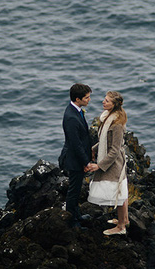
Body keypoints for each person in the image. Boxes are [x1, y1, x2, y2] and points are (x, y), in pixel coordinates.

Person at [86, 90, 129, 236]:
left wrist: (99, 165)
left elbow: (114, 150)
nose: (103, 102)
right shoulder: (107, 117)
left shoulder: (116, 124)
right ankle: (125, 219)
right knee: (122, 190)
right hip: (113, 161)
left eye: (107, 101)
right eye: (104, 99)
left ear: (114, 105)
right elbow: (105, 140)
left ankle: (121, 226)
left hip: (114, 163)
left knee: (119, 192)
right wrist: (95, 148)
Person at [58, 83, 93, 229]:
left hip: (77, 157)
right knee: (73, 191)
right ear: (77, 99)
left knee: (77, 189)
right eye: (86, 97)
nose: (89, 100)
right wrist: (86, 162)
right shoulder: (71, 117)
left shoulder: (76, 110)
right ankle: (72, 221)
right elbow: (75, 144)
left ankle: (77, 215)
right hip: (74, 159)